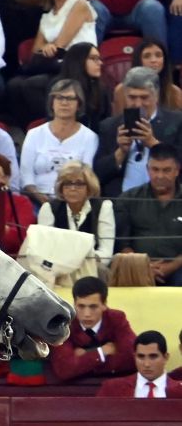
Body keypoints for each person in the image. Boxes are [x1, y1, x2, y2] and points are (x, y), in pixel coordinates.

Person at [5, 0, 98, 130]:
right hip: (54, 66)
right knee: (14, 85)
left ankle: (58, 127)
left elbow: (61, 44)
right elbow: (36, 51)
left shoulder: (79, 4)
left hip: (78, 65)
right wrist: (48, 48)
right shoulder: (47, 17)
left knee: (32, 85)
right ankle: (31, 130)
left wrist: (49, 46)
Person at [95, 67, 182, 197]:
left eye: (144, 97)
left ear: (156, 96)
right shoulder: (109, 126)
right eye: (132, 97)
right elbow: (97, 174)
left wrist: (153, 144)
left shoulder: (177, 122)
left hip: (166, 202)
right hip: (121, 202)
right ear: (124, 96)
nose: (138, 103)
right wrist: (121, 152)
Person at [20, 78, 98, 205]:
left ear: (79, 104)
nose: (64, 103)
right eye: (59, 98)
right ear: (52, 103)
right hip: (36, 201)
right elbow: (26, 175)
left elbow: (86, 175)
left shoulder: (89, 137)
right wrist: (38, 196)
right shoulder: (34, 134)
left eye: (70, 98)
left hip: (73, 202)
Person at [113, 142, 182, 285]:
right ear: (147, 169)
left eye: (166, 170)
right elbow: (122, 243)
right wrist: (143, 268)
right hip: (136, 268)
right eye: (155, 170)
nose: (160, 176)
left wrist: (171, 266)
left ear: (177, 170)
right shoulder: (128, 199)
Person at [36, 160, 115, 278]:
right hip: (58, 270)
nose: (72, 188)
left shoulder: (103, 207)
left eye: (79, 184)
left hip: (93, 269)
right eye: (67, 184)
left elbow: (106, 253)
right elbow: (43, 249)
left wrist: (79, 262)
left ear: (89, 187)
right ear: (61, 187)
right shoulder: (49, 209)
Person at [48, 276, 136, 382]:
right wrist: (101, 352)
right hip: (74, 391)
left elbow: (131, 359)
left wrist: (84, 355)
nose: (87, 314)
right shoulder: (64, 323)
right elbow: (64, 369)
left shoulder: (117, 318)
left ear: (104, 305)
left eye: (93, 307)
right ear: (74, 305)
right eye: (81, 306)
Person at [97, 330, 182, 396]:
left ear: (166, 357)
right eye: (141, 357)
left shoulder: (179, 391)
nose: (146, 364)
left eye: (153, 357)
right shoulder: (112, 389)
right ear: (134, 357)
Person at [112, 38, 182, 115]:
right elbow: (118, 121)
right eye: (147, 56)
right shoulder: (121, 90)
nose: (153, 60)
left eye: (158, 55)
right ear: (138, 60)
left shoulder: (174, 92)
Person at [83, 0, 168, 46]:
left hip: (136, 8)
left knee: (153, 8)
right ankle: (85, 64)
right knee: (93, 9)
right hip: (102, 7)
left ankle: (159, 63)